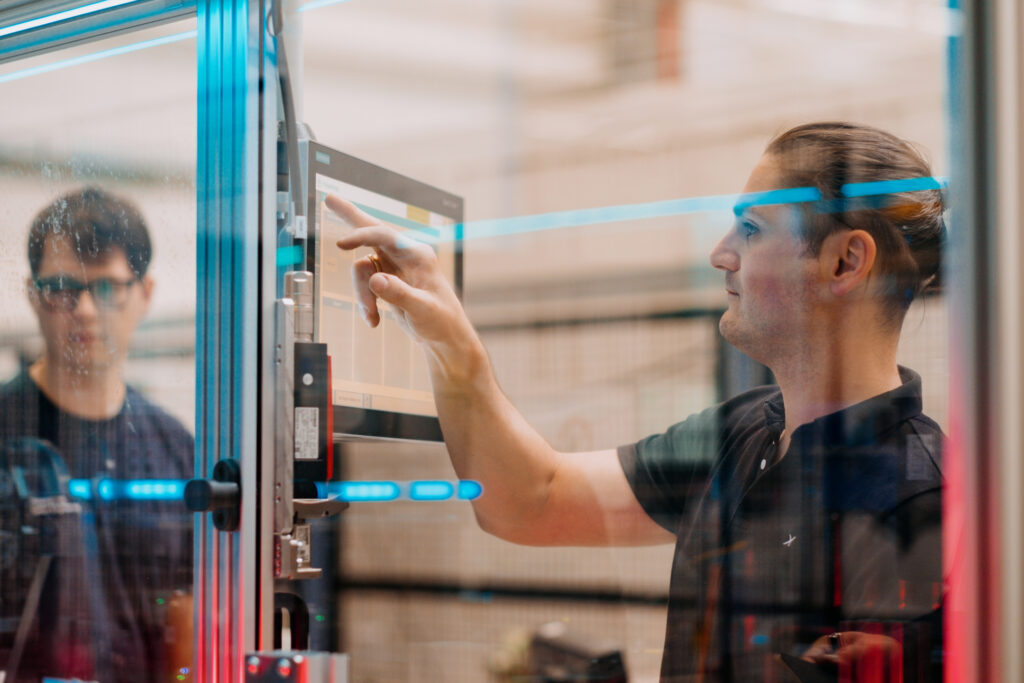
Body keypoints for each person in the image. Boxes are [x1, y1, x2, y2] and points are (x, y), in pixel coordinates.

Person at [328, 121, 945, 682]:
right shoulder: (742, 431)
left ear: (845, 261)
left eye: (752, 229)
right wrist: (447, 340)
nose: (720, 252)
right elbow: (529, 501)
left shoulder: (918, 499)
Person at [0, 188, 193, 683]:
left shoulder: (176, 450)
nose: (84, 309)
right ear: (33, 295)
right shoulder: (6, 434)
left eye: (106, 288)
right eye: (62, 287)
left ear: (144, 293)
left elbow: (186, 621)